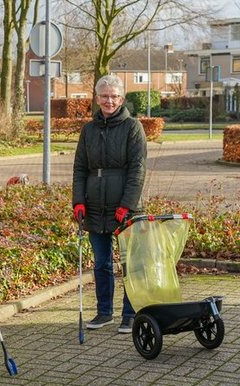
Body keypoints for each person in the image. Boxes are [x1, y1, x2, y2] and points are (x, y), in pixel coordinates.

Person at [71, 74, 147, 334]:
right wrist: (78, 201)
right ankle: (104, 312)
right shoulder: (88, 130)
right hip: (95, 206)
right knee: (101, 262)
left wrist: (127, 204)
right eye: (104, 96)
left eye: (114, 96)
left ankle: (130, 313)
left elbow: (138, 169)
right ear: (97, 98)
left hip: (124, 207)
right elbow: (80, 167)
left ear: (122, 99)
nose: (109, 101)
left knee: (130, 263)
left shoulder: (133, 128)